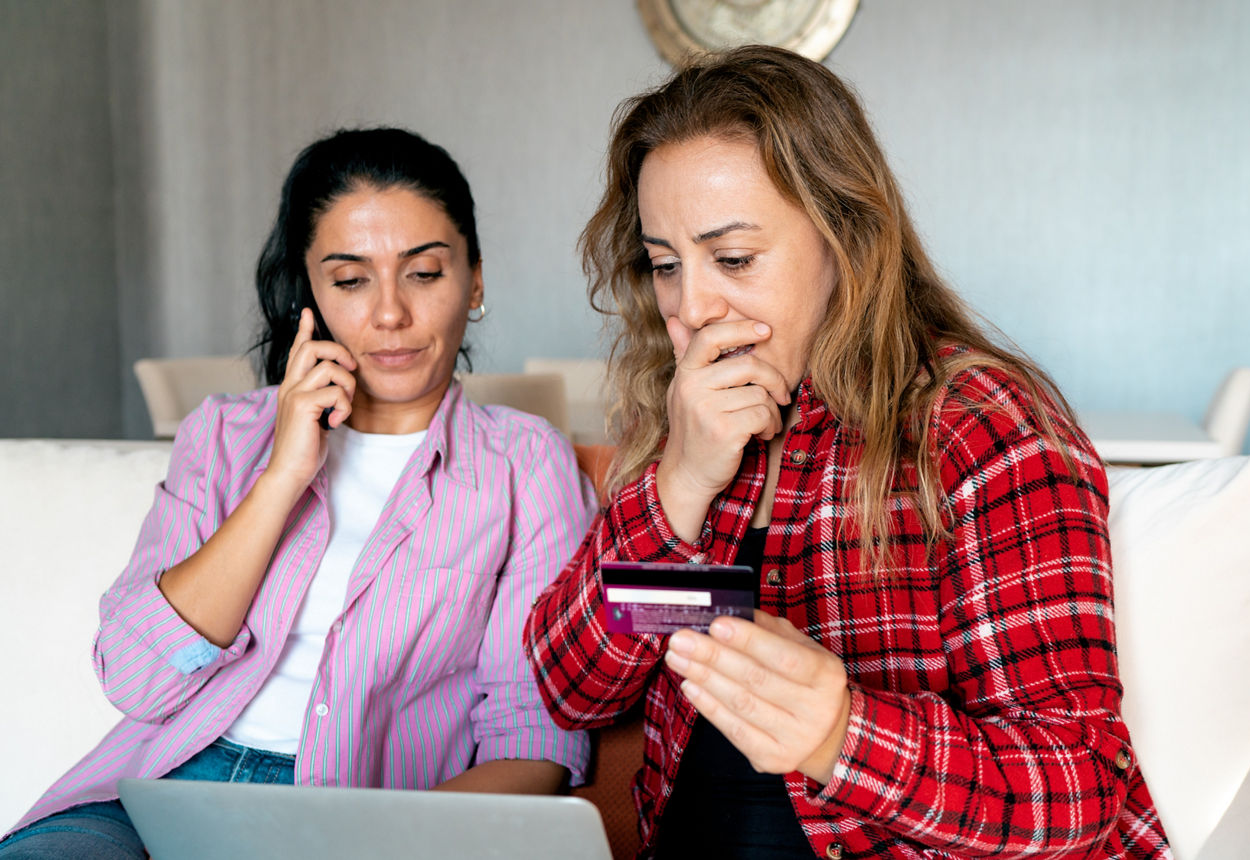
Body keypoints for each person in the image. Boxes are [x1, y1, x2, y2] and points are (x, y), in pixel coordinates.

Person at [524, 46, 1170, 859]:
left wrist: (842, 731)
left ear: (845, 236)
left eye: (732, 260)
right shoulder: (687, 421)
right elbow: (571, 690)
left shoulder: (979, 427)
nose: (690, 307)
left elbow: (1077, 790)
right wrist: (679, 485)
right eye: (664, 265)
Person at [1, 127, 595, 858]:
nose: (388, 315)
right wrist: (283, 476)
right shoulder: (223, 435)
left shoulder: (523, 463)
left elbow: (533, 732)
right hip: (151, 796)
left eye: (425, 273)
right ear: (308, 293)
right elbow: (136, 678)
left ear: (475, 282)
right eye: (350, 280)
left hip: (353, 821)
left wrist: (380, 842)